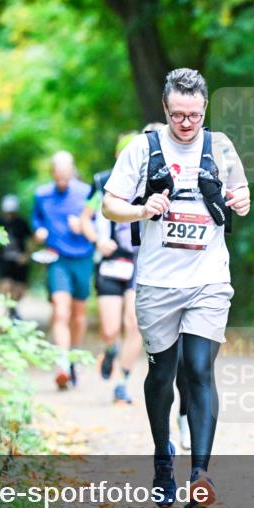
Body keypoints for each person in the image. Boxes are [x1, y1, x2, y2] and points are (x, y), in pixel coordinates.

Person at [102, 68, 251, 508]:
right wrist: (142, 208)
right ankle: (163, 458)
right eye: (179, 116)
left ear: (205, 110)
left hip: (208, 279)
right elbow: (111, 204)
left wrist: (241, 201)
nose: (187, 124)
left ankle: (200, 475)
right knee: (163, 375)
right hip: (157, 282)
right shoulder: (142, 149)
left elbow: (241, 193)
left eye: (195, 116)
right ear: (165, 110)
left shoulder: (220, 146)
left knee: (200, 369)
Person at [81, 132, 144, 405]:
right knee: (109, 329)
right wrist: (97, 239)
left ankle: (122, 382)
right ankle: (109, 349)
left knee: (134, 323)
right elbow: (85, 219)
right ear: (119, 155)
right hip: (109, 260)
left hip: (139, 261)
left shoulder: (151, 181)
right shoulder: (102, 182)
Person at [32, 151, 94, 390]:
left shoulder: (86, 192)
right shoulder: (42, 195)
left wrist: (84, 226)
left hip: (83, 257)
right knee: (60, 311)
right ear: (52, 173)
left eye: (66, 177)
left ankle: (73, 359)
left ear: (72, 173)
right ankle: (61, 364)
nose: (62, 182)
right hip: (56, 258)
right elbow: (36, 218)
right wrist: (39, 230)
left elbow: (100, 220)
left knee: (78, 316)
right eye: (58, 177)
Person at [0, 194, 31, 320]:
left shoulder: (21, 223)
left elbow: (30, 239)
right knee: (6, 285)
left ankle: (14, 308)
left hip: (20, 260)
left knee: (20, 288)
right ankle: (8, 310)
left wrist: (26, 255)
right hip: (4, 259)